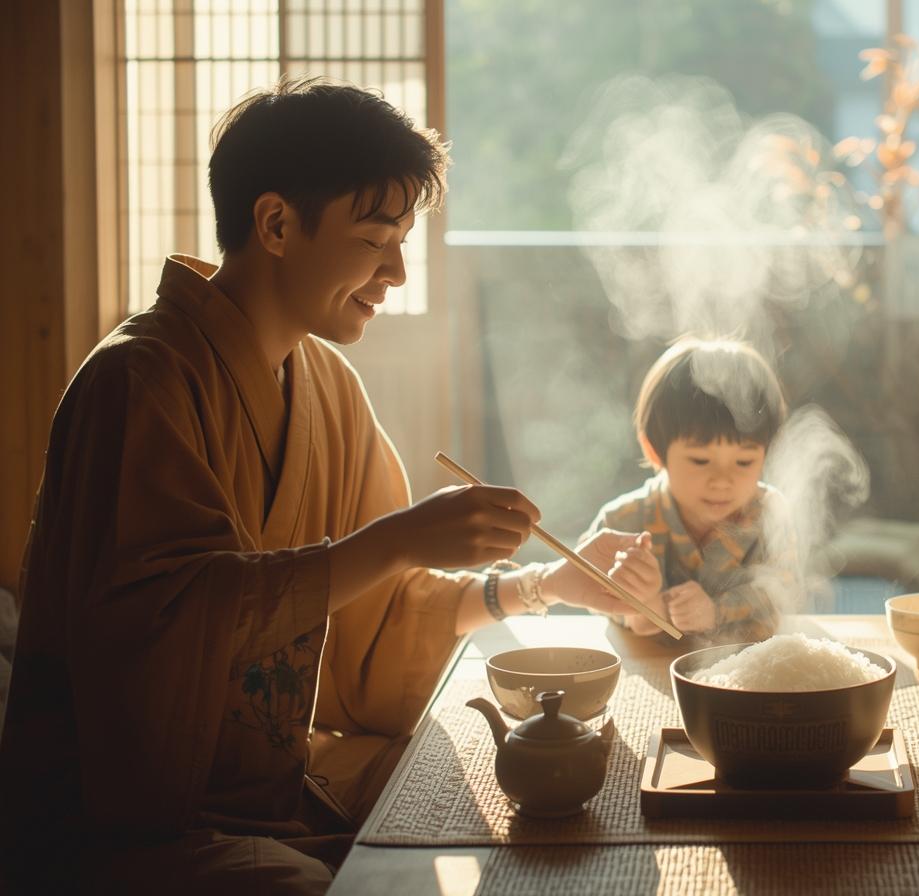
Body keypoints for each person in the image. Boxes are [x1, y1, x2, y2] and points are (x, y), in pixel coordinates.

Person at [0, 77, 655, 894]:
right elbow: (164, 624)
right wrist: (402, 539)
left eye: (405, 239)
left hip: (269, 798)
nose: (399, 273)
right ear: (276, 223)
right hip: (135, 833)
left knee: (501, 819)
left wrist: (532, 586)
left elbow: (377, 623)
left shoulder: (327, 386)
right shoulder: (140, 381)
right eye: (377, 237)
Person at [586, 338, 796, 645]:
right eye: (700, 460)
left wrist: (716, 611)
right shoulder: (624, 520)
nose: (722, 480)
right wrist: (641, 611)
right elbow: (588, 585)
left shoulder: (769, 513)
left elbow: (783, 589)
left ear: (766, 454)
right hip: (646, 668)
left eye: (744, 461)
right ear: (654, 451)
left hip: (746, 673)